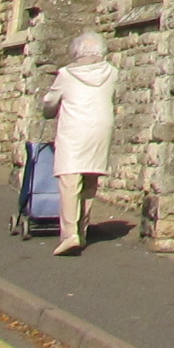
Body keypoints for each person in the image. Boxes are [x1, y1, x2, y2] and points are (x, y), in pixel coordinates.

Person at [41, 33, 117, 254]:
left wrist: (48, 112)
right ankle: (82, 231)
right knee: (90, 179)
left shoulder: (66, 74)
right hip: (101, 129)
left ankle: (70, 234)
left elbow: (50, 101)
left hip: (74, 131)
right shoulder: (112, 73)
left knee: (70, 181)